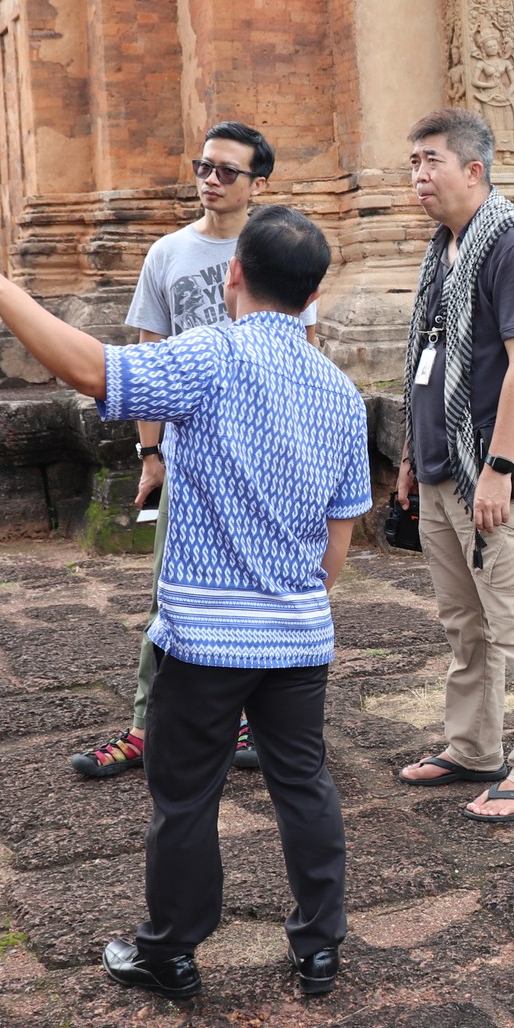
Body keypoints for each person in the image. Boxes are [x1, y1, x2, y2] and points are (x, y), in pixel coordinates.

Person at [0, 205, 369, 1001]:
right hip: (298, 633)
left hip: (204, 638)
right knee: (305, 784)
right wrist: (295, 603)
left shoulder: (211, 355)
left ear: (233, 275)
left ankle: (171, 949)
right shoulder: (340, 392)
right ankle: (320, 945)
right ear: (313, 294)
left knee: (186, 796)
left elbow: (96, 370)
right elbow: (339, 538)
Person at [72, 121, 319, 779]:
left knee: (268, 592)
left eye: (227, 171)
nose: (211, 180)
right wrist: (149, 454)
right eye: (203, 167)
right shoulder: (168, 254)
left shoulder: (280, 249)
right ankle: (145, 728)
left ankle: (249, 722)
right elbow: (149, 359)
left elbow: (303, 359)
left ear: (258, 183)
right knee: (169, 597)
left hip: (263, 459)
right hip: (190, 458)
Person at [392, 108, 514, 822]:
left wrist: (497, 466)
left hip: (489, 472)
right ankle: (472, 746)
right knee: (464, 623)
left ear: (473, 170)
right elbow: (427, 358)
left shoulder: (513, 243)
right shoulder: (445, 247)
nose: (418, 175)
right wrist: (411, 454)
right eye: (413, 162)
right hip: (441, 467)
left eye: (430, 160)